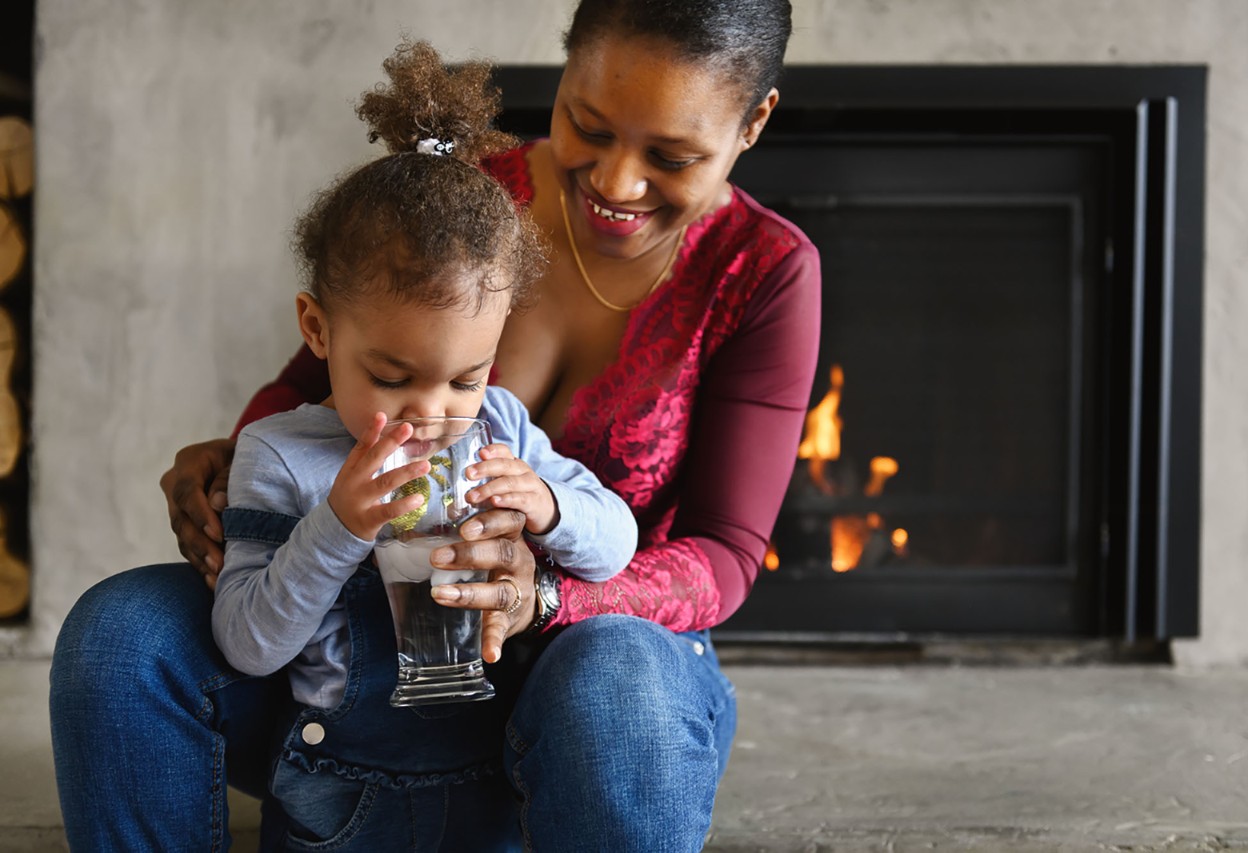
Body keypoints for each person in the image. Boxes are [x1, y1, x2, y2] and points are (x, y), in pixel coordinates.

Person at [49, 0, 821, 849]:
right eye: (587, 127)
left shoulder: (765, 272)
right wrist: (234, 465)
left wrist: (547, 596)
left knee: (613, 675)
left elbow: (724, 555)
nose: (615, 182)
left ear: (754, 122)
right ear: (563, 74)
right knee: (120, 634)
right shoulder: (465, 191)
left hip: (590, 671)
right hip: (350, 660)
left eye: (671, 156)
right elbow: (316, 385)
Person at [207, 42, 637, 848]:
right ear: (318, 329)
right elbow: (246, 644)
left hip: (494, 786)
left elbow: (618, 545)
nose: (435, 413)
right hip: (335, 801)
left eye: (465, 377)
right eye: (393, 375)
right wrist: (334, 527)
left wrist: (547, 507)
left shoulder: (500, 427)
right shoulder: (277, 455)